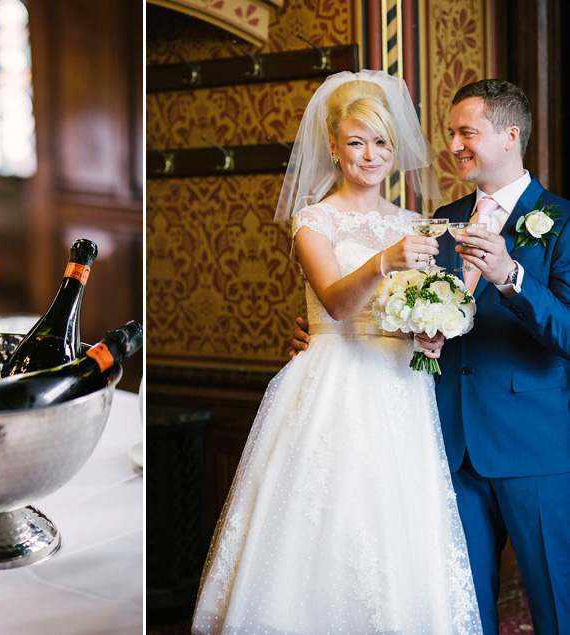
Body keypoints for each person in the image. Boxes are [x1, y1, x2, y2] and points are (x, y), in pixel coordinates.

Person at [191, 70, 482, 634]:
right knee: (327, 522)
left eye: (380, 142)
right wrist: (384, 261)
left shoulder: (410, 222)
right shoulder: (313, 220)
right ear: (334, 146)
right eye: (356, 141)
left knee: (397, 528)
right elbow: (338, 304)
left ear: (394, 149)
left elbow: (413, 307)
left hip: (399, 387)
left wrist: (428, 331)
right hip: (333, 383)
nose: (369, 154)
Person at [291, 79, 570, 633]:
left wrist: (511, 277)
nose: (455, 145)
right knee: (460, 611)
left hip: (531, 447)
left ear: (510, 136)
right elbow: (406, 309)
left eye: (468, 132)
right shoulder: (437, 219)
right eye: (451, 134)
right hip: (443, 443)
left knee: (557, 606)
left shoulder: (560, 220)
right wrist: (322, 336)